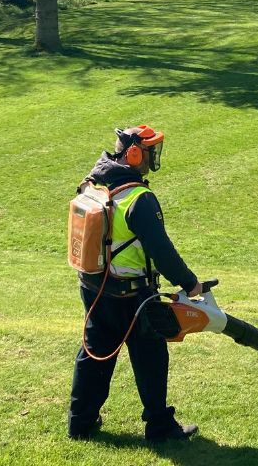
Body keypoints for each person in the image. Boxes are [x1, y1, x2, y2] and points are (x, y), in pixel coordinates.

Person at [68, 124, 201, 443]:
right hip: (132, 294)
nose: (154, 158)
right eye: (150, 152)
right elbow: (162, 251)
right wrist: (190, 284)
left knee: (95, 352)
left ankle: (80, 422)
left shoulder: (94, 181)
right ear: (134, 154)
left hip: (94, 286)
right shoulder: (139, 198)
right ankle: (160, 426)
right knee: (151, 355)